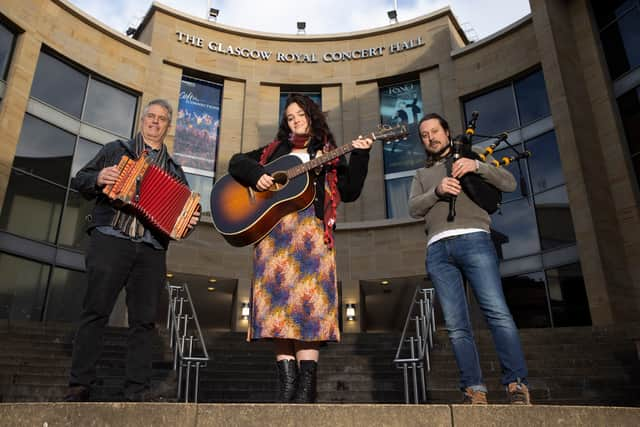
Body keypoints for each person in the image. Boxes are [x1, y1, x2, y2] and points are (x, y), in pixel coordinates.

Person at [228, 93, 373, 403]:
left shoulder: (330, 153)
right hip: (274, 237)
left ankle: (306, 386)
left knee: (309, 312)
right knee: (277, 312)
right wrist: (259, 175)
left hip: (312, 237)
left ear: (312, 116)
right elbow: (236, 163)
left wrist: (360, 155)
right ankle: (286, 383)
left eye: (300, 115)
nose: (294, 120)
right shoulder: (273, 152)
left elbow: (349, 192)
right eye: (289, 116)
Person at [63, 99, 200, 402]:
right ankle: (80, 382)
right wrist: (99, 177)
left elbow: (181, 218)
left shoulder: (176, 172)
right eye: (150, 117)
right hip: (112, 237)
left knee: (144, 320)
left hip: (151, 249)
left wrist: (189, 221)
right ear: (142, 121)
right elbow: (81, 180)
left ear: (167, 126)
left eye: (161, 119)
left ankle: (136, 388)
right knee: (96, 310)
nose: (154, 122)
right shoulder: (116, 150)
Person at [408, 112, 531, 405]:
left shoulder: (470, 156)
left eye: (434, 131)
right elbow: (414, 208)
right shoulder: (421, 175)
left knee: (497, 313)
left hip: (475, 238)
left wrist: (477, 165)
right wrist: (436, 191)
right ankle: (474, 389)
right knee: (455, 325)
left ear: (447, 131)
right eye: (424, 135)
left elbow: (509, 182)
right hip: (438, 249)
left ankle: (516, 385)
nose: (430, 138)